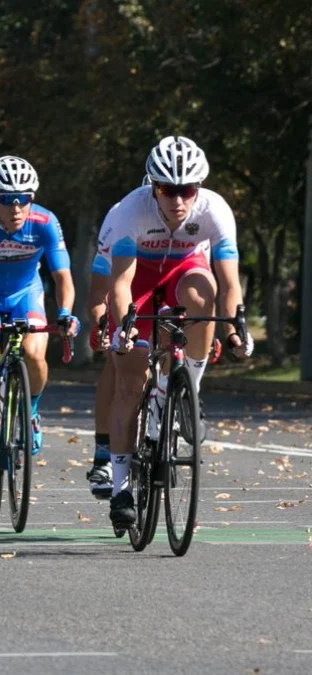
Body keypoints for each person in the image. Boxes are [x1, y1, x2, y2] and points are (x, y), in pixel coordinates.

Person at [105, 136, 251, 528]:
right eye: (168, 190)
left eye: (187, 190)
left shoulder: (215, 210)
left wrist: (237, 324)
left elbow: (229, 281)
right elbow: (119, 283)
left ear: (198, 188)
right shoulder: (128, 212)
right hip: (138, 278)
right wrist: (123, 330)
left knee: (202, 292)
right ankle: (120, 488)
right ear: (153, 187)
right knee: (130, 378)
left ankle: (190, 390)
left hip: (183, 272)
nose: (178, 200)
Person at [0, 156, 79, 486]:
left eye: (24, 198)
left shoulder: (46, 222)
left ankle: (31, 410)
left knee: (36, 354)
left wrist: (65, 312)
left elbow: (62, 275)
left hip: (26, 294)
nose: (17, 207)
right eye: (7, 200)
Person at [85, 175, 152, 499]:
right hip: (125, 290)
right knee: (116, 364)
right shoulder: (121, 215)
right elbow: (100, 290)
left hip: (166, 289)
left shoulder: (194, 216)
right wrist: (101, 324)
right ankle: (103, 451)